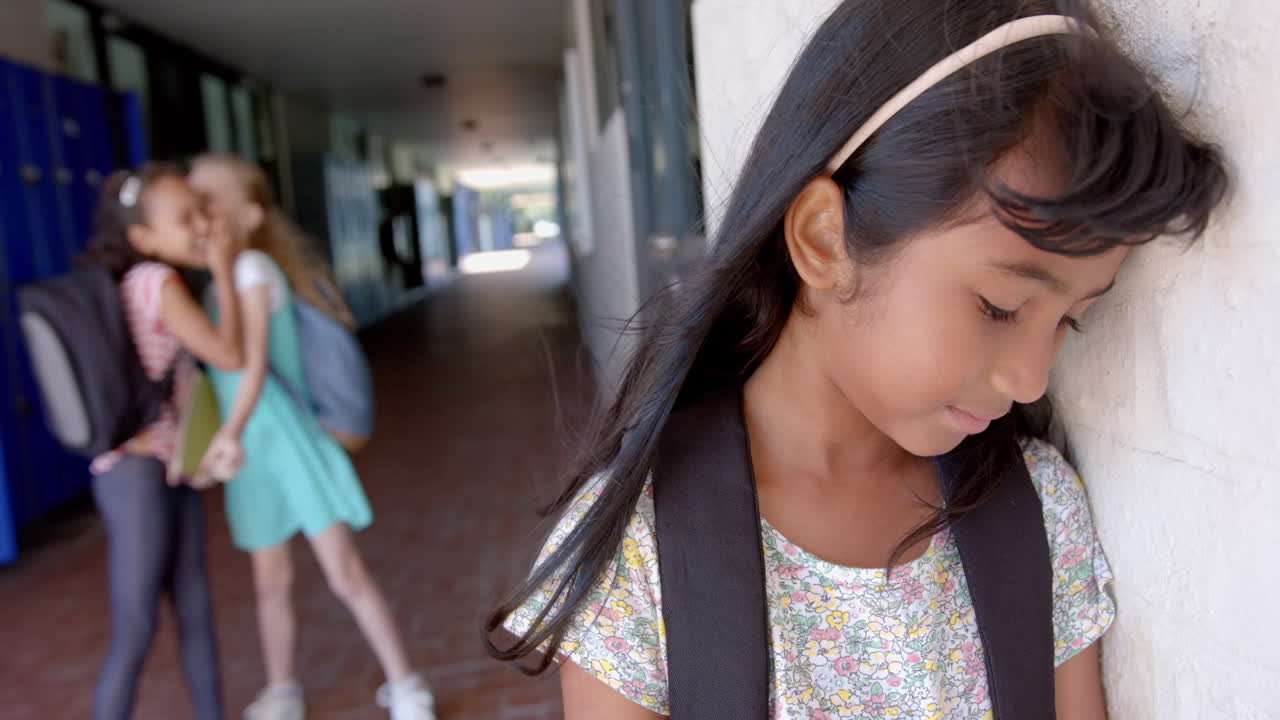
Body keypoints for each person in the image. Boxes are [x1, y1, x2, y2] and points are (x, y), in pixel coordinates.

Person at [486, 1, 1229, 718]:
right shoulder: (643, 555)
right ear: (821, 239)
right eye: (999, 307)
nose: (1031, 377)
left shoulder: (1037, 513)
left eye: (1070, 320)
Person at [187, 154, 435, 720]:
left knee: (343, 573)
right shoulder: (220, 281)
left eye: (210, 201)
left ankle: (407, 685)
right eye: (192, 203)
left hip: (286, 443)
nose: (200, 215)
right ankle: (282, 690)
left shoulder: (251, 271)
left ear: (250, 214)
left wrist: (225, 435)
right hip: (250, 452)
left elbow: (249, 366)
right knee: (271, 582)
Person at [83, 164, 247, 720]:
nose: (201, 225)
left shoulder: (136, 281)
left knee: (189, 614)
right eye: (185, 219)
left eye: (202, 212)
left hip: (165, 468)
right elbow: (229, 354)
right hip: (140, 475)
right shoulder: (159, 282)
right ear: (142, 239)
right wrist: (223, 267)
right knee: (138, 626)